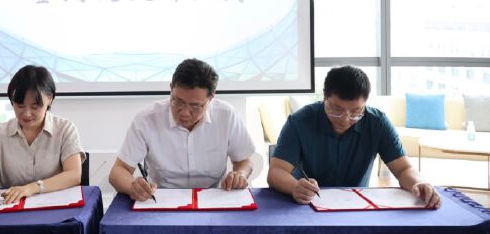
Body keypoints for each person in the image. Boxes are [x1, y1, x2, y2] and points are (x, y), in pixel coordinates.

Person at [267, 65, 441, 208]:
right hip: (306, 203)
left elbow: (403, 169)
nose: (345, 119)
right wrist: (295, 187)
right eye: (336, 110)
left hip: (356, 206)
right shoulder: (300, 122)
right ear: (324, 98)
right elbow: (276, 172)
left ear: (365, 103)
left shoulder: (377, 123)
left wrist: (418, 183)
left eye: (356, 112)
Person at [109, 58, 256, 202]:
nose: (184, 112)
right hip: (162, 200)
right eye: (177, 102)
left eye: (195, 106)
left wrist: (240, 174)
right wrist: (132, 186)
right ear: (171, 88)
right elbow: (118, 171)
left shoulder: (227, 115)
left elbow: (244, 161)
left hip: (214, 198)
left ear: (211, 98)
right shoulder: (146, 120)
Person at [0, 65, 85, 205]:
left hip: (55, 208)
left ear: (50, 99)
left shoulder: (65, 129)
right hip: (10, 209)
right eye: (20, 106)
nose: (27, 114)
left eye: (35, 107)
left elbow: (74, 175)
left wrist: (32, 188)